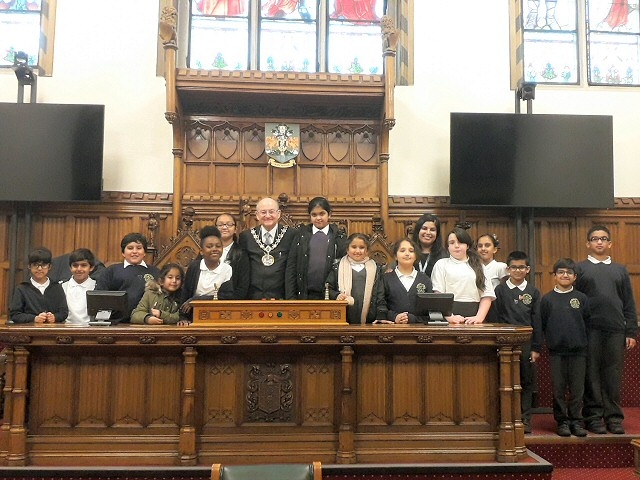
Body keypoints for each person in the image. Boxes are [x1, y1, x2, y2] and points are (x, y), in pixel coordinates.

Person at [575, 225, 638, 435]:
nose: (599, 242)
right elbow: (575, 302)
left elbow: (628, 301)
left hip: (615, 329)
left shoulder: (619, 270)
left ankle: (613, 417)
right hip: (590, 330)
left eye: (603, 239)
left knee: (613, 374)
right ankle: (593, 417)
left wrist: (631, 331)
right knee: (591, 374)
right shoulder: (580, 269)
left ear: (610, 243)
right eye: (594, 239)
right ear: (588, 243)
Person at [537, 258, 590, 437]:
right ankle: (562, 422)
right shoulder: (547, 300)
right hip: (556, 352)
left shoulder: (581, 298)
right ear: (554, 276)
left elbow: (588, 323)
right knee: (559, 389)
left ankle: (576, 421)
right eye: (561, 272)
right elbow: (541, 325)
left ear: (575, 277)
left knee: (577, 389)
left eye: (568, 273)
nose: (564, 275)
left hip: (579, 352)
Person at [494, 251, 542, 434]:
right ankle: (504, 417)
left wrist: (536, 347)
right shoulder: (500, 290)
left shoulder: (533, 291)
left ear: (527, 269)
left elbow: (537, 320)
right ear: (507, 269)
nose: (517, 270)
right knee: (504, 380)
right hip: (504, 343)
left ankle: (524, 419)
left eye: (521, 267)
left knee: (526, 381)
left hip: (527, 343)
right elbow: (496, 317)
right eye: (513, 267)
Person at [286, 197, 348, 299]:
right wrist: (290, 297)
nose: (318, 218)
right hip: (304, 294)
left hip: (331, 295)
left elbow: (344, 266)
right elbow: (291, 266)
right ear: (309, 216)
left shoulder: (339, 237)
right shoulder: (301, 236)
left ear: (329, 214)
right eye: (314, 215)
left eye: (322, 214)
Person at [430, 227, 495, 324]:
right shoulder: (441, 264)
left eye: (460, 242)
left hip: (474, 316)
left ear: (467, 245)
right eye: (452, 243)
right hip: (449, 316)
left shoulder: (479, 265)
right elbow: (438, 294)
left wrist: (479, 317)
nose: (456, 246)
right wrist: (449, 317)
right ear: (447, 247)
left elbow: (487, 295)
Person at [238, 197, 298, 300]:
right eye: (263, 212)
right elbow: (244, 271)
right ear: (257, 215)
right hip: (253, 297)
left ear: (279, 214)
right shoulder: (246, 236)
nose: (267, 216)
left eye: (271, 212)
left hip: (281, 297)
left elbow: (292, 268)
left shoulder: (291, 235)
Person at [96, 232, 160, 322]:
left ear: (144, 252)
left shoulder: (155, 272)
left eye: (139, 248)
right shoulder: (111, 271)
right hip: (117, 324)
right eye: (130, 248)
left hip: (147, 323)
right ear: (123, 252)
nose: (134, 251)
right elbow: (99, 297)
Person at [326, 233, 385, 324]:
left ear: (367, 250)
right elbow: (327, 288)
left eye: (361, 247)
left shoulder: (376, 269)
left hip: (369, 318)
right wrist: (337, 295)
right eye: (354, 247)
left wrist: (380, 315)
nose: (357, 251)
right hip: (343, 317)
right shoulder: (337, 268)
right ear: (347, 249)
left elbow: (380, 294)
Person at [181, 226, 235, 318]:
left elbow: (225, 296)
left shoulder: (227, 269)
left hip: (219, 314)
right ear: (201, 251)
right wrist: (183, 317)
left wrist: (196, 299)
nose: (214, 249)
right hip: (194, 314)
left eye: (218, 246)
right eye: (209, 246)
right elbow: (185, 294)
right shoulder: (194, 267)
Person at [379, 238, 433, 324]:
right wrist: (394, 317)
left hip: (419, 331)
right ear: (396, 256)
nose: (407, 254)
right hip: (392, 329)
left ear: (416, 256)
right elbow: (380, 306)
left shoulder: (425, 280)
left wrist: (413, 319)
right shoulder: (386, 279)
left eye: (411, 251)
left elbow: (430, 311)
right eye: (402, 250)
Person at [9, 247, 68, 324]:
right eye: (35, 265)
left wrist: (55, 317)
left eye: (43, 265)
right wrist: (34, 318)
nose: (39, 269)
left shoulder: (57, 287)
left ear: (49, 266)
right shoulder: (22, 288)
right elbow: (15, 314)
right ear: (29, 266)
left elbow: (64, 312)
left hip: (52, 331)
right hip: (29, 331)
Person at [215, 213, 250, 299]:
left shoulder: (241, 253)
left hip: (231, 302)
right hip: (204, 301)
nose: (224, 227)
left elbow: (243, 286)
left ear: (235, 229)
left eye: (229, 224)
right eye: (220, 224)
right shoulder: (207, 251)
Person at [61, 248, 98, 325]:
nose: (79, 269)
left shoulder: (97, 287)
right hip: (65, 330)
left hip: (91, 330)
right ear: (70, 267)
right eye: (75, 265)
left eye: (83, 265)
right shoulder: (61, 287)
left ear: (91, 267)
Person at [477, 233, 508, 323]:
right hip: (477, 306)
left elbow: (504, 291)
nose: (483, 249)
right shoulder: (473, 268)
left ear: (494, 249)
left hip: (496, 308)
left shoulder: (501, 267)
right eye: (480, 246)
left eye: (487, 245)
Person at [410, 213, 446, 277]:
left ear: (437, 234)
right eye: (424, 228)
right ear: (418, 231)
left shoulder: (444, 256)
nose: (428, 233)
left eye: (432, 230)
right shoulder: (409, 251)